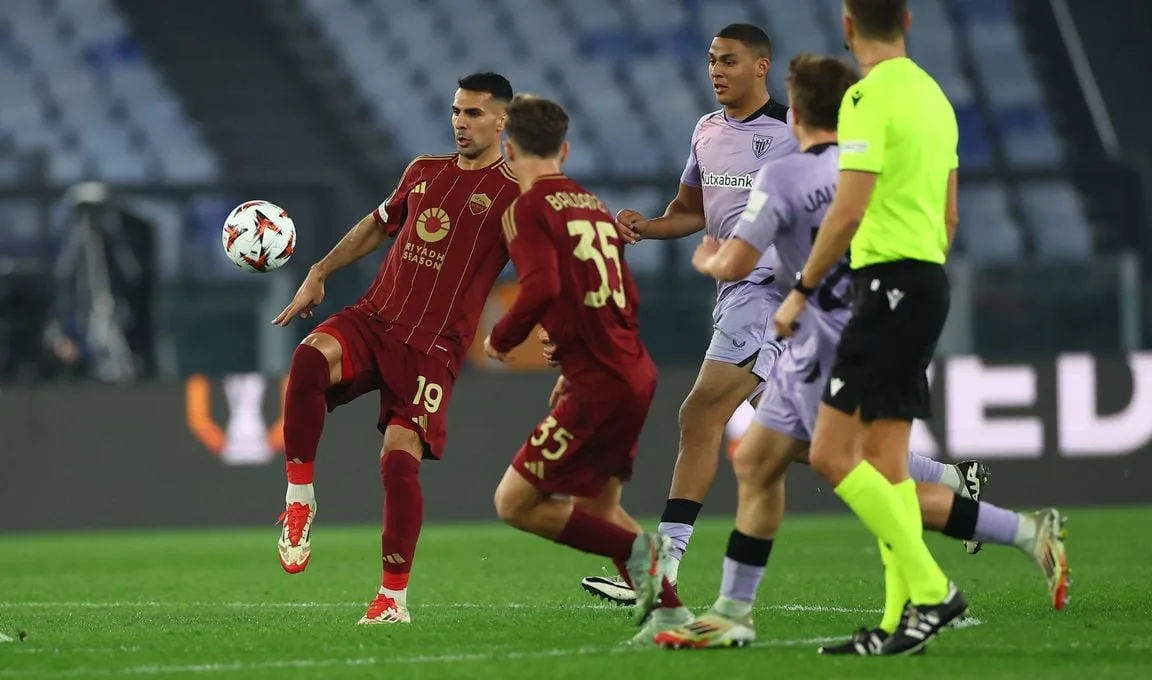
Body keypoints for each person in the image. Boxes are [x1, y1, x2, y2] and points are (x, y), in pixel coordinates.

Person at [651, 53, 1070, 651]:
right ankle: (733, 611)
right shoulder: (865, 169)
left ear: (793, 112)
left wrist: (709, 259)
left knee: (858, 471)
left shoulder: (786, 176)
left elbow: (737, 259)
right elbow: (937, 222)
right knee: (761, 460)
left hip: (823, 337)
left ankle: (962, 570)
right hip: (873, 320)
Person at [581, 23, 989, 609]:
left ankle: (659, 568)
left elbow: (844, 199)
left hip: (775, 292)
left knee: (700, 414)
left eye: (729, 61)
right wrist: (648, 228)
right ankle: (949, 481)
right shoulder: (707, 131)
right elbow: (691, 210)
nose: (716, 70)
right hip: (738, 292)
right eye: (711, 61)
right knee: (802, 442)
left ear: (761, 66)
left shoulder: (794, 135)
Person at [777, 0, 1035, 656]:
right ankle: (898, 626)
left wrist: (803, 288)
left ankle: (933, 590)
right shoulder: (935, 97)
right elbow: (949, 215)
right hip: (925, 284)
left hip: (887, 284)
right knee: (888, 466)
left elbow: (849, 207)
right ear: (909, 21)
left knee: (834, 455)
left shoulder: (867, 97)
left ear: (847, 26)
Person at [271, 72, 522, 625]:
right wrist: (319, 270)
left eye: (474, 113)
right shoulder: (423, 171)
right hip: (376, 316)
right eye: (457, 111)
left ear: (503, 120)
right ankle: (299, 498)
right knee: (309, 357)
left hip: (433, 346)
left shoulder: (515, 191)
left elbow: (542, 268)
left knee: (398, 461)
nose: (461, 122)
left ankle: (392, 598)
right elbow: (377, 225)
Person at [481, 94, 675, 631]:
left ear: (508, 149)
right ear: (564, 149)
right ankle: (671, 615)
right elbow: (624, 297)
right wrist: (571, 362)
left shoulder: (526, 208)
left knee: (515, 503)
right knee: (596, 506)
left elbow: (541, 286)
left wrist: (502, 337)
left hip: (599, 383)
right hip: (631, 370)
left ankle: (643, 556)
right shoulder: (590, 203)